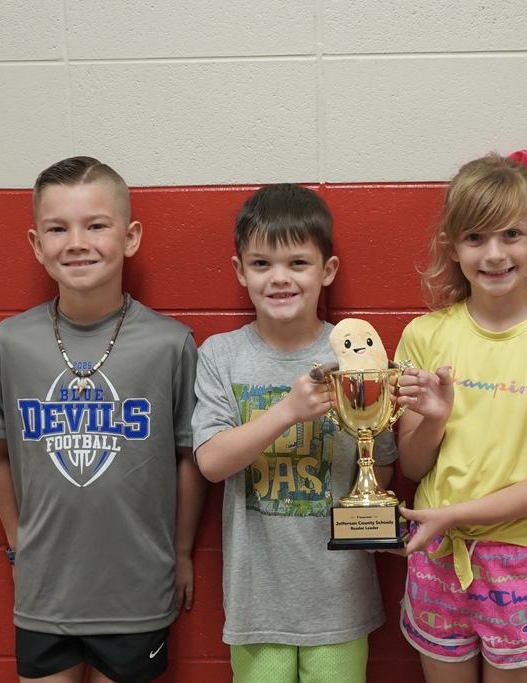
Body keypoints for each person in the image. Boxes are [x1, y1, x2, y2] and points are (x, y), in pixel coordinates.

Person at [0, 156, 206, 683]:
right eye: (58, 228)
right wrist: (20, 545)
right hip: (44, 593)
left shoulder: (171, 344)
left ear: (130, 237)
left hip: (138, 590)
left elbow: (190, 458)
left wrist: (183, 550)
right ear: (37, 244)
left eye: (96, 225)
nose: (77, 242)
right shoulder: (9, 343)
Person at [393, 152, 527, 683]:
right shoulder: (425, 335)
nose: (494, 254)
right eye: (475, 238)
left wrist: (455, 515)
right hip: (437, 550)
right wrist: (435, 419)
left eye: (510, 234)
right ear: (452, 246)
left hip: (519, 556)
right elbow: (414, 468)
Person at [191, 183, 396, 683]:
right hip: (257, 602)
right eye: (261, 264)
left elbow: (384, 461)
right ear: (240, 271)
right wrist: (286, 410)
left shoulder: (359, 356)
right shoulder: (220, 355)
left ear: (327, 270)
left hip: (339, 599)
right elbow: (211, 462)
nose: (279, 278)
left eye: (297, 264)